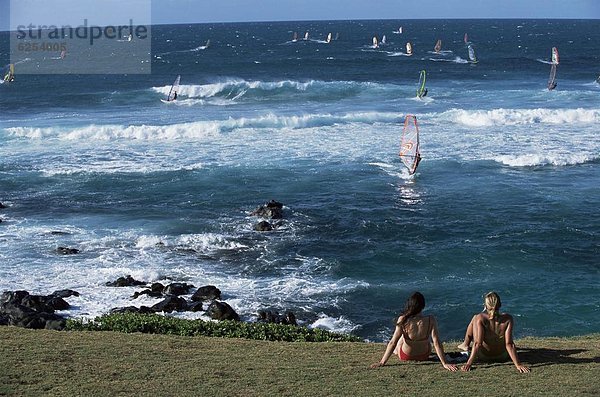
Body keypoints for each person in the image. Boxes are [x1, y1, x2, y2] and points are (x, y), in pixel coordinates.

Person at [370, 292, 457, 371]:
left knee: (400, 338)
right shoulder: (431, 319)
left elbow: (393, 342)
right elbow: (437, 343)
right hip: (424, 355)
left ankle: (395, 351)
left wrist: (382, 362)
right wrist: (444, 363)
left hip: (406, 356)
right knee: (424, 339)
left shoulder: (403, 319)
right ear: (423, 306)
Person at [458, 291, 530, 373]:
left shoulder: (480, 318)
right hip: (502, 356)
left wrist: (469, 364)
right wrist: (518, 365)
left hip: (484, 356)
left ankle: (465, 344)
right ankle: (465, 344)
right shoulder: (508, 319)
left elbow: (478, 343)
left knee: (475, 318)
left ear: (485, 306)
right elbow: (509, 344)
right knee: (477, 318)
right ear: (500, 305)